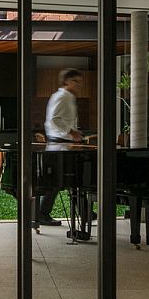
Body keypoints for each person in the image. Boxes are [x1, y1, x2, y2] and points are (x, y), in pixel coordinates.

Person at [37, 69, 85, 225]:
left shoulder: (68, 97)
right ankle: (42, 215)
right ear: (67, 81)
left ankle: (84, 212)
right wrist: (72, 132)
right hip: (59, 147)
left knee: (69, 181)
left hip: (63, 145)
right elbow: (54, 120)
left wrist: (75, 132)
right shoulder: (62, 97)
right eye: (76, 81)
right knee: (57, 183)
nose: (80, 85)